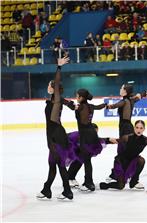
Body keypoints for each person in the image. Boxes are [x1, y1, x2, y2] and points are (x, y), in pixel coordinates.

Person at [37, 57, 75, 200]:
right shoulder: (55, 100)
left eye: (49, 85)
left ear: (54, 88)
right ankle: (47, 189)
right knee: (53, 163)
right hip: (52, 134)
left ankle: (67, 191)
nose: (48, 86)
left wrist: (59, 67)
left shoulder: (57, 98)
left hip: (56, 135)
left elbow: (58, 82)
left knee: (59, 164)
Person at [100, 120, 147, 190]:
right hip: (121, 162)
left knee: (141, 160)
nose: (138, 130)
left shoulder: (145, 140)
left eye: (141, 128)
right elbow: (115, 141)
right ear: (134, 128)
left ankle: (134, 182)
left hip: (132, 162)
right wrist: (105, 139)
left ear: (144, 129)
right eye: (137, 127)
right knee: (120, 186)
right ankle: (106, 185)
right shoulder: (127, 137)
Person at [74, 88, 107, 191]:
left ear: (81, 97)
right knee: (87, 160)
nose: (76, 97)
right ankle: (88, 182)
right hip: (91, 134)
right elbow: (99, 107)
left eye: (77, 96)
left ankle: (89, 183)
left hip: (86, 136)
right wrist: (105, 104)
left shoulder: (81, 107)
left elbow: (83, 123)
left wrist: (76, 109)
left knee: (87, 160)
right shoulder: (90, 106)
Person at [67, 123, 118, 188]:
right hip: (66, 146)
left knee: (81, 158)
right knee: (79, 158)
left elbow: (99, 140)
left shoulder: (91, 137)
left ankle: (71, 177)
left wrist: (109, 140)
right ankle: (69, 178)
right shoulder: (76, 135)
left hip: (77, 148)